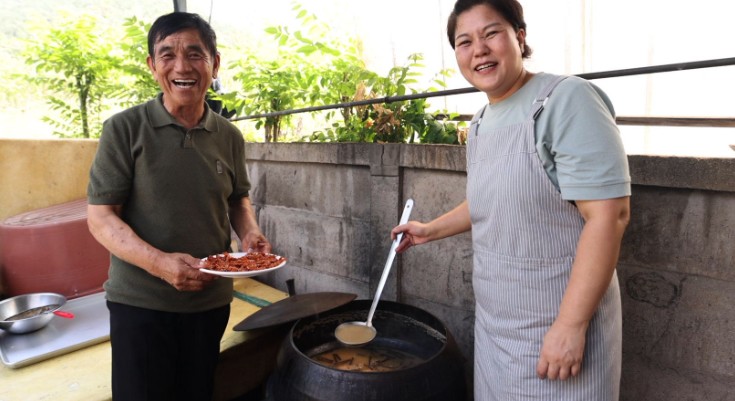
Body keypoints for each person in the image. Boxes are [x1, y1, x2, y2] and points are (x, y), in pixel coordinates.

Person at [391, 0, 631, 400]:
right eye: (464, 42)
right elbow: (490, 199)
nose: (478, 50)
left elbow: (610, 216)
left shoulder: (566, 100)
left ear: (519, 36)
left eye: (491, 33)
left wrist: (570, 326)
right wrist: (429, 230)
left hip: (559, 329)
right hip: (497, 330)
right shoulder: (481, 121)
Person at [86, 12, 271, 401]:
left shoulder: (229, 136)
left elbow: (237, 197)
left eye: (194, 54)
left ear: (215, 63)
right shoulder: (124, 129)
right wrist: (160, 264)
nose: (182, 66)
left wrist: (249, 232)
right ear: (152, 66)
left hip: (210, 301)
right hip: (140, 304)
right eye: (167, 55)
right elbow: (101, 218)